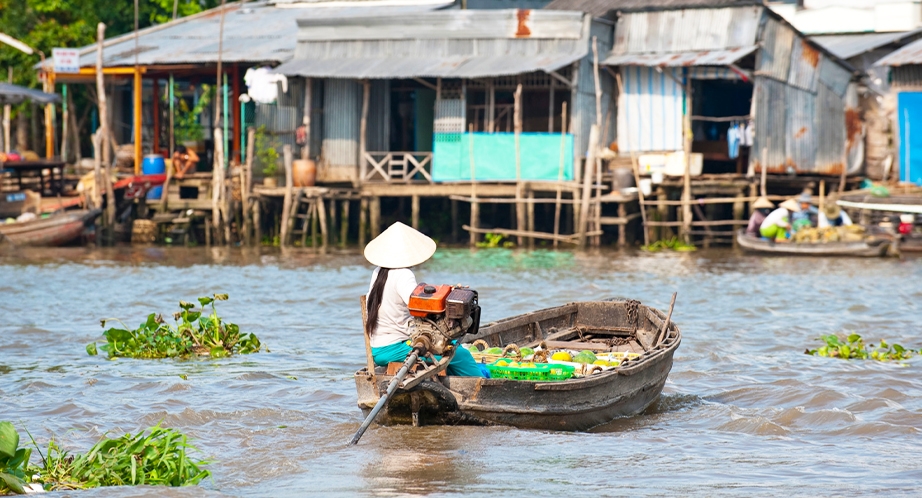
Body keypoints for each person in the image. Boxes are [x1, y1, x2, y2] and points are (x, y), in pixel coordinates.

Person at [364, 221, 485, 377]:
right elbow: (420, 307)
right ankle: (481, 386)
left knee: (450, 350)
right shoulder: (403, 274)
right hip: (394, 348)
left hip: (378, 347)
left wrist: (449, 291)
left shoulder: (378, 272)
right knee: (460, 355)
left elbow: (420, 295)